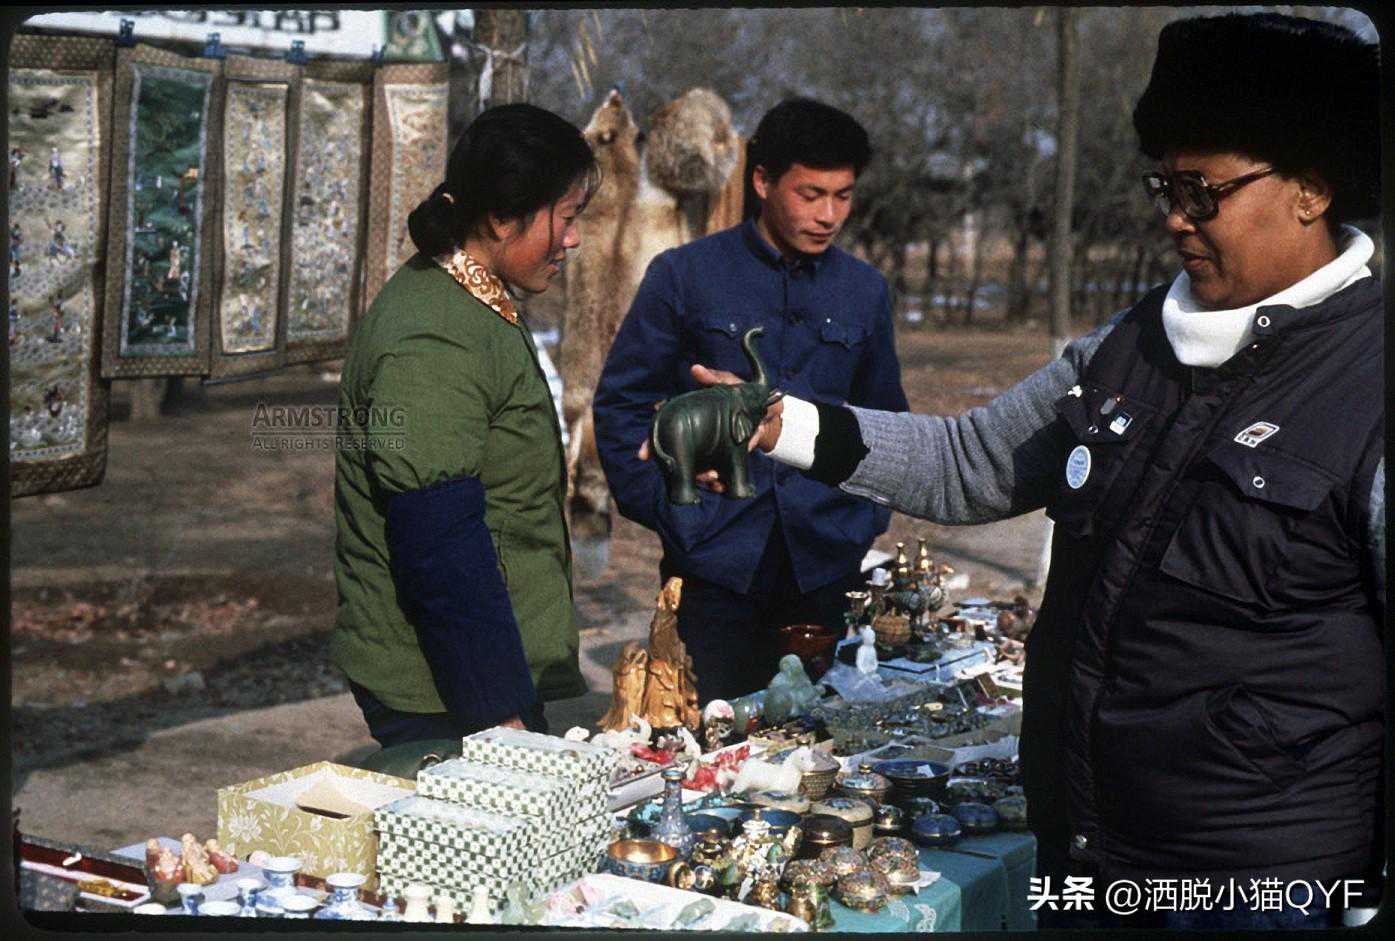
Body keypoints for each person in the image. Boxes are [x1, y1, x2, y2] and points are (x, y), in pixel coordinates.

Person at [693, 13, 1383, 931]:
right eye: (1163, 185)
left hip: (1260, 889)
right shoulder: (1127, 347)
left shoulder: (1369, 380)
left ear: (1309, 189)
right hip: (1087, 856)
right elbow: (971, 462)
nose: (1173, 216)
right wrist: (781, 422)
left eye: (1202, 190)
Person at [592, 97, 909, 705]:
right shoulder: (684, 275)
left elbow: (887, 425)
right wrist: (670, 506)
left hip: (824, 566)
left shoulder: (864, 291)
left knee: (818, 739)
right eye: (810, 194)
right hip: (713, 567)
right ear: (762, 181)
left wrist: (860, 525)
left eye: (843, 196)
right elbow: (621, 407)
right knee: (703, 736)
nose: (828, 215)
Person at [330, 104, 598, 748]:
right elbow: (439, 542)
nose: (573, 240)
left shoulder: (476, 300)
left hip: (484, 667)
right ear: (503, 218)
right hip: (445, 688)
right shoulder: (434, 338)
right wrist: (498, 718)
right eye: (565, 218)